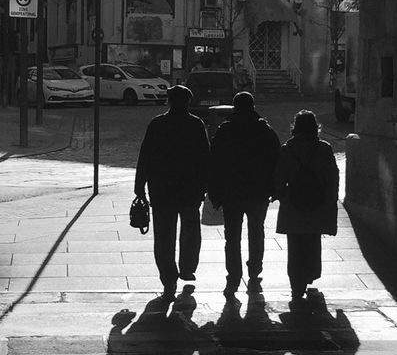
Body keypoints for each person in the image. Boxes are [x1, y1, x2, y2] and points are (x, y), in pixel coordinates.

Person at [133, 83, 210, 296]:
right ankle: (186, 268)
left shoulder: (157, 124)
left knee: (164, 236)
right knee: (191, 231)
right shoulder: (195, 124)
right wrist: (206, 186)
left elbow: (145, 156)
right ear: (188, 102)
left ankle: (168, 277)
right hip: (190, 190)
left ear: (169, 101)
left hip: (162, 190)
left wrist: (139, 186)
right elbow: (205, 157)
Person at [207, 91, 281, 294]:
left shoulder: (225, 130)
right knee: (256, 231)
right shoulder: (265, 130)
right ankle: (255, 268)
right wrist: (275, 189)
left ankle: (233, 274)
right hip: (258, 191)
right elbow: (277, 160)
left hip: (232, 192)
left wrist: (214, 192)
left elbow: (214, 163)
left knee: (232, 237)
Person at [273, 108, 339, 303]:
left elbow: (278, 178)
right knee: (312, 241)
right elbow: (332, 178)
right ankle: (310, 274)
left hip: (293, 203)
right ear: (314, 127)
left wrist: (282, 196)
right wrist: (330, 201)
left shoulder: (287, 149)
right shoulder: (324, 148)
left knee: (295, 245)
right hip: (317, 202)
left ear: (296, 127)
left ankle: (296, 282)